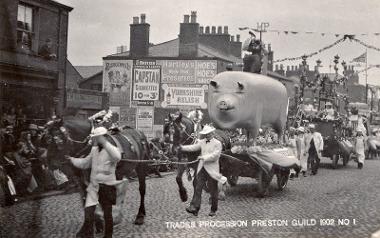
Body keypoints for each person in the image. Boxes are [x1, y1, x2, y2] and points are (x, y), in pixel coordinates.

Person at [66, 127, 122, 238]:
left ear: (103, 137)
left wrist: (105, 143)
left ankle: (108, 236)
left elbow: (117, 157)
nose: (94, 140)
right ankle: (88, 234)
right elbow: (85, 163)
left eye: (96, 138)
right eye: (94, 138)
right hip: (94, 187)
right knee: (89, 211)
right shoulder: (94, 150)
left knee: (107, 214)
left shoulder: (112, 149)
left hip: (107, 187)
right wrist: (72, 160)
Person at [179, 125, 227, 217]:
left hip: (212, 170)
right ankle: (195, 208)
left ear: (213, 133)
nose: (207, 135)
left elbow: (215, 155)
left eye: (209, 134)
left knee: (213, 190)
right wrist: (182, 148)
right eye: (206, 134)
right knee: (198, 188)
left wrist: (203, 157)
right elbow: (193, 147)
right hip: (202, 169)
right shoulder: (202, 142)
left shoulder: (217, 143)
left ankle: (213, 209)